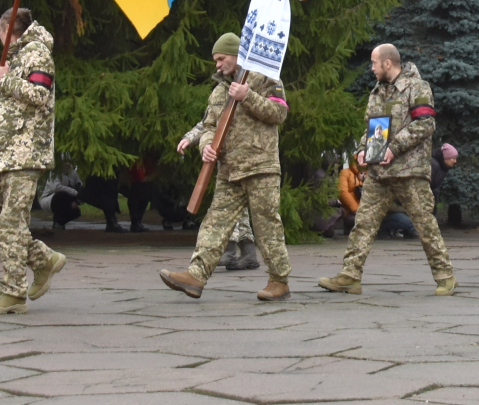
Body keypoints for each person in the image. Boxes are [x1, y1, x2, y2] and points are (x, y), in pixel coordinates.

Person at [159, 33, 293, 301]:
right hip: (228, 171)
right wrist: (206, 146)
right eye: (215, 60)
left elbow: (279, 113)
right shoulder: (218, 92)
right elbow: (209, 126)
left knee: (267, 226)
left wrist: (247, 96)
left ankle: (279, 281)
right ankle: (196, 275)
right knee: (215, 223)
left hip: (260, 167)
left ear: (236, 55)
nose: (217, 65)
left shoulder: (266, 78)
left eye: (221, 59)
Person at [320, 44, 456, 295]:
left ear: (387, 63)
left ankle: (445, 277)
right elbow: (371, 128)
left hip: (409, 172)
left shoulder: (417, 87)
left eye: (374, 62)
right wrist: (363, 150)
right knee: (363, 223)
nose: (371, 68)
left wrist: (393, 148)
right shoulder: (377, 92)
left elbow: (425, 124)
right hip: (379, 174)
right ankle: (350, 276)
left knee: (425, 225)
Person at [0, 8, 67, 315]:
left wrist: (6, 79)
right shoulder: (15, 58)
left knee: (11, 222)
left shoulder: (37, 53)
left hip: (25, 154)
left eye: (0, 32)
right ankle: (43, 260)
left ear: (7, 30)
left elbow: (39, 94)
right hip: (3, 153)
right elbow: (6, 112)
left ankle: (12, 292)